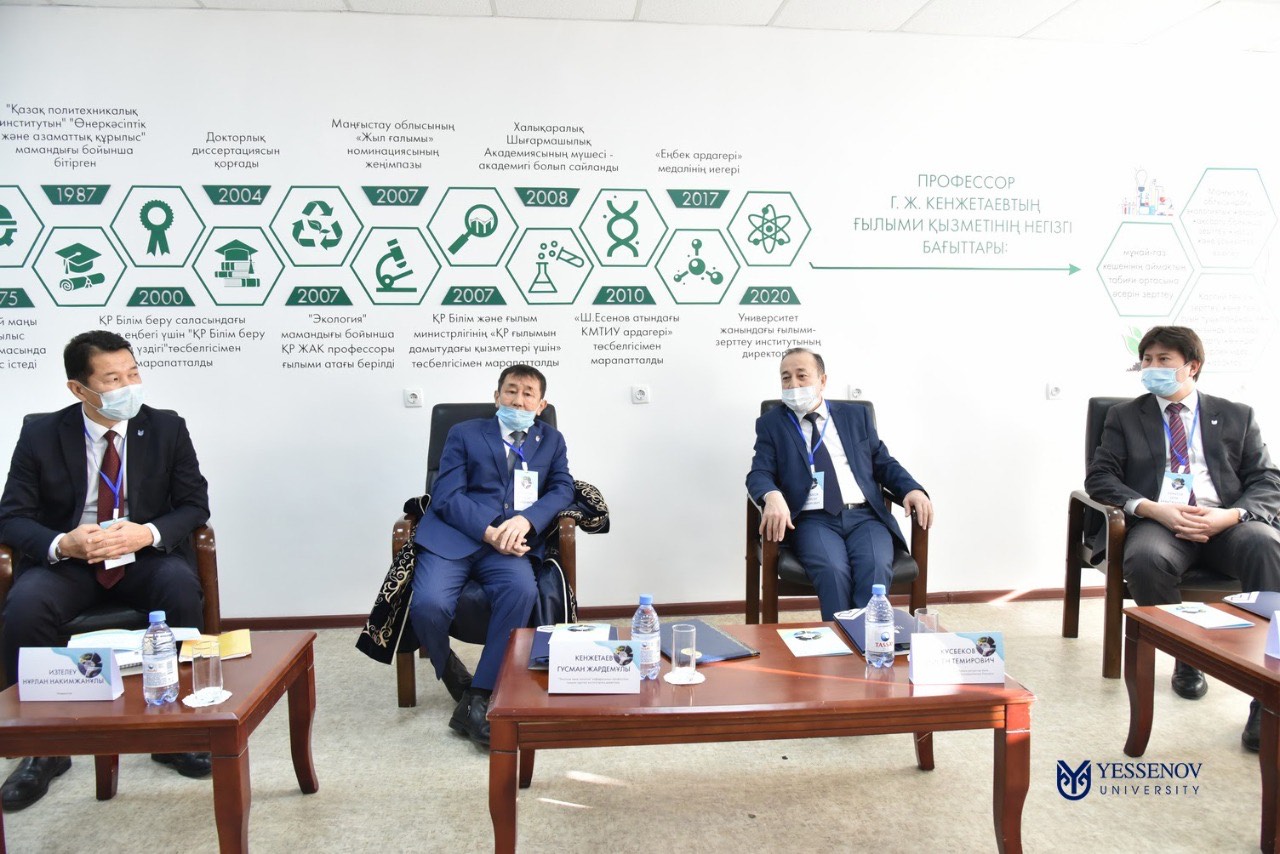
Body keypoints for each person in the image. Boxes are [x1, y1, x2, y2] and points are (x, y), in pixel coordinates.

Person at [0, 330, 213, 812]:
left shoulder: (166, 427)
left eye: (133, 373)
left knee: (180, 586)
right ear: (80, 389)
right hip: (72, 562)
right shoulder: (41, 433)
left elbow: (194, 505)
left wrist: (147, 533)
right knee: (25, 607)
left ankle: (177, 733)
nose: (128, 386)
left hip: (142, 559)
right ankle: (42, 749)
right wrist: (63, 543)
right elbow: (12, 516)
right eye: (113, 379)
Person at [1085, 325, 1280, 751]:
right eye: (1147, 359)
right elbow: (1100, 477)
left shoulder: (1237, 414)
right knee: (1145, 558)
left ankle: (1267, 693)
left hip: (1226, 522)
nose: (1151, 367)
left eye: (1163, 360)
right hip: (1161, 522)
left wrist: (1230, 516)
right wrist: (1153, 508)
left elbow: (1267, 479)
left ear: (1192, 366)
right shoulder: (1125, 416)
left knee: (1266, 545)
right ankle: (1186, 657)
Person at [407, 364, 573, 749]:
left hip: (510, 544)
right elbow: (446, 495)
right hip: (456, 536)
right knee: (429, 605)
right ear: (496, 396)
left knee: (522, 591)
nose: (518, 400)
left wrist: (527, 520)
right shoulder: (463, 433)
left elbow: (562, 488)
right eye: (511, 391)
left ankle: (479, 695)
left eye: (528, 394)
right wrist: (489, 530)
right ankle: (451, 672)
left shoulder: (551, 440)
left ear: (541, 404)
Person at [746, 347, 933, 619]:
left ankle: (866, 638)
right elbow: (759, 472)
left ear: (822, 380)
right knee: (833, 570)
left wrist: (912, 489)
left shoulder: (855, 416)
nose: (793, 384)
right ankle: (840, 639)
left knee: (876, 566)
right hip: (813, 520)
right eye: (786, 378)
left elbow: (883, 462)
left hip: (865, 517)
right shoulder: (772, 424)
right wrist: (772, 495)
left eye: (802, 376)